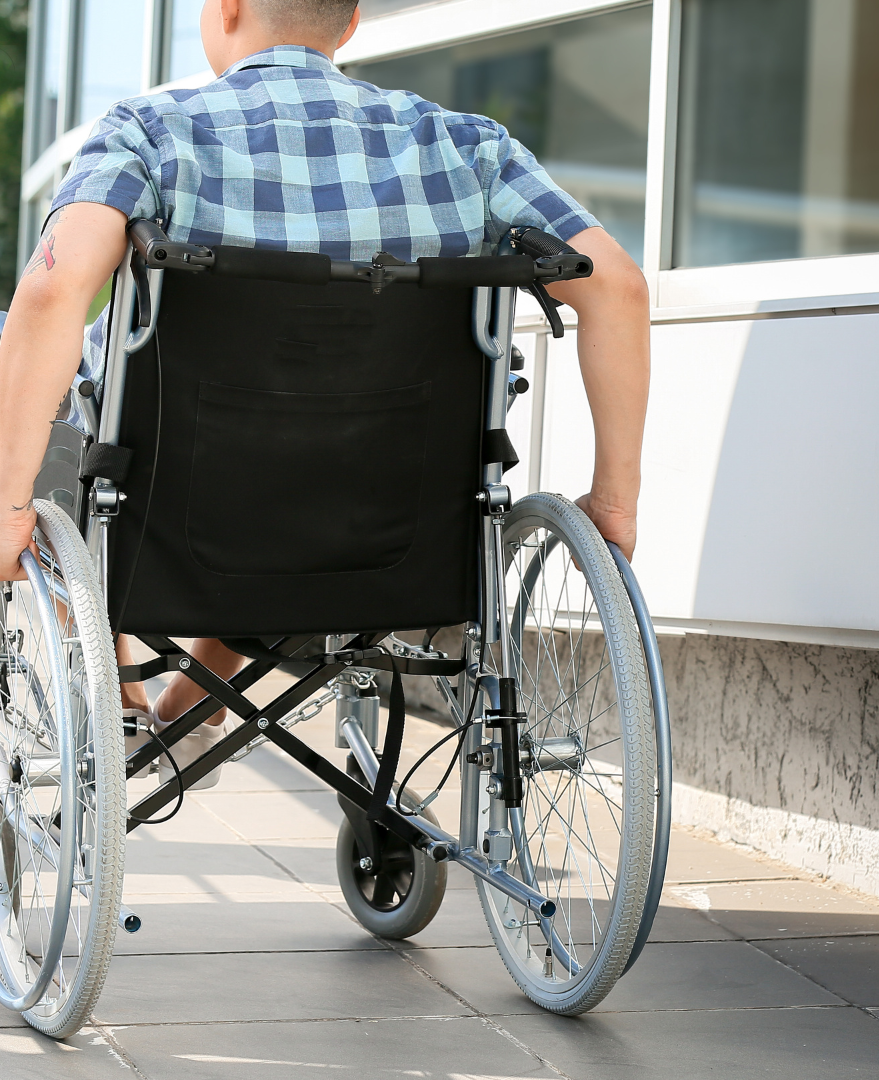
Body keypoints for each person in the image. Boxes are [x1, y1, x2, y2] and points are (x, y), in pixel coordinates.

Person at [0, 0, 650, 786]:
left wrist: (7, 509)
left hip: (181, 515)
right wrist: (615, 499)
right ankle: (175, 714)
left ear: (226, 8)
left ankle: (120, 703)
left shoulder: (150, 131)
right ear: (347, 27)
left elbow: (51, 291)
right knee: (290, 462)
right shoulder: (467, 145)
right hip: (387, 529)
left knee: (73, 412)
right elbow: (616, 287)